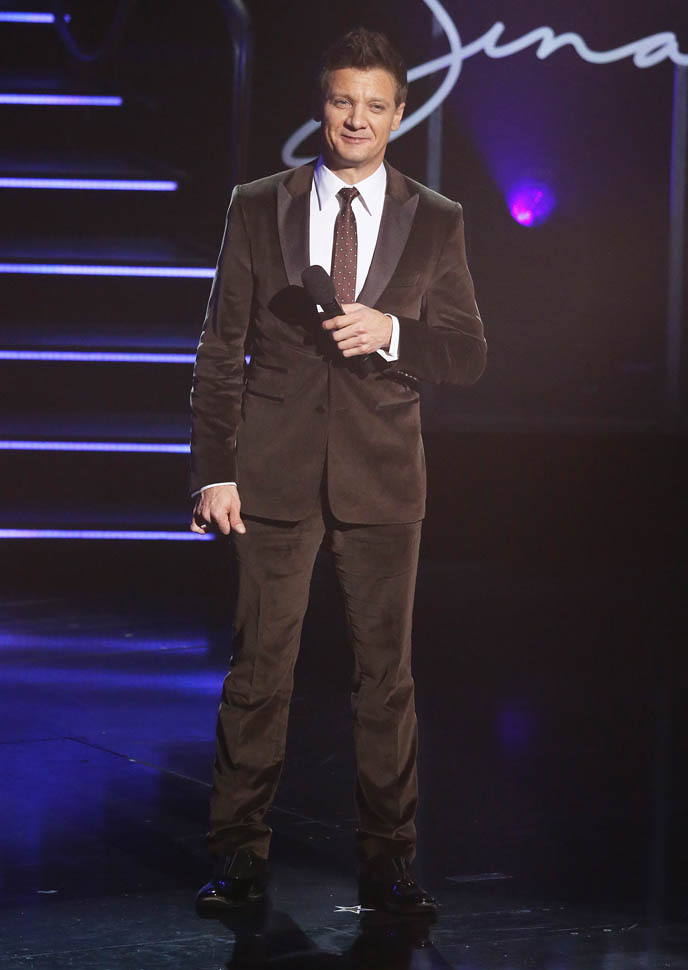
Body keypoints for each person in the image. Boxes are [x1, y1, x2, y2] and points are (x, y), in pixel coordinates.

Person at [190, 27, 486, 917]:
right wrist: (214, 470)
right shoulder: (257, 205)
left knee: (385, 683)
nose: (357, 119)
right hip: (270, 476)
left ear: (400, 115)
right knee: (258, 673)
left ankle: (390, 864)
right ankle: (238, 858)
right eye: (342, 101)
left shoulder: (437, 218)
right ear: (322, 104)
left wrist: (392, 332)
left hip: (384, 481)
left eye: (375, 105)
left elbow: (467, 354)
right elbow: (220, 349)